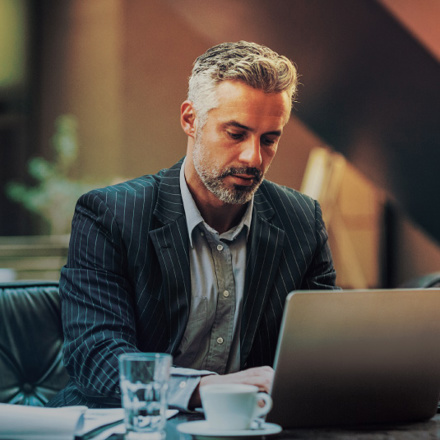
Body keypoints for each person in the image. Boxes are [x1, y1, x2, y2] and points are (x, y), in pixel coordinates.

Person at [48, 41, 337, 410]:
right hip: (131, 424)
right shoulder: (109, 214)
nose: (253, 157)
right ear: (190, 120)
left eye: (270, 139)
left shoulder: (302, 220)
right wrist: (203, 389)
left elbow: (325, 352)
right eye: (235, 134)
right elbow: (97, 360)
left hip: (251, 428)